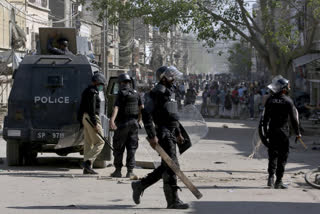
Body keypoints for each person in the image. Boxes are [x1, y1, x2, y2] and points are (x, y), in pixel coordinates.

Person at [131, 66, 189, 209]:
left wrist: (178, 133)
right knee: (172, 166)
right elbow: (146, 114)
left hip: (171, 133)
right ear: (163, 78)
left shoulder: (170, 92)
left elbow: (172, 116)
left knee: (167, 166)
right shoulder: (157, 92)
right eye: (171, 76)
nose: (173, 79)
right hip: (163, 134)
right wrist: (152, 136)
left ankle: (140, 185)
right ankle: (172, 200)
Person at [261, 75, 301, 189]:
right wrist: (297, 133)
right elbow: (294, 119)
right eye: (287, 86)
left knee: (272, 155)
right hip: (283, 132)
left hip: (272, 131)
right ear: (284, 88)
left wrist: (265, 133)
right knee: (283, 156)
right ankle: (278, 181)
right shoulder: (288, 101)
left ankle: (270, 177)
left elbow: (265, 119)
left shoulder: (270, 100)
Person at [109, 73, 143, 178]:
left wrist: (112, 120)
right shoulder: (136, 93)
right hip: (134, 124)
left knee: (119, 147)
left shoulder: (121, 93)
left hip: (123, 123)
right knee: (131, 148)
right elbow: (141, 107)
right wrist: (139, 120)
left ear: (121, 83)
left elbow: (116, 107)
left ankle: (118, 171)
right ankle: (130, 171)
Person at [78, 73, 106, 174]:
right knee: (100, 142)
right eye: (101, 83)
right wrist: (95, 124)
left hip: (85, 118)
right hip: (91, 118)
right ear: (96, 82)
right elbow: (92, 109)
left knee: (88, 143)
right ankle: (87, 162)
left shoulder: (86, 91)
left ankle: (87, 169)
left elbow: (81, 107)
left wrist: (81, 121)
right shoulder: (93, 92)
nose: (101, 86)